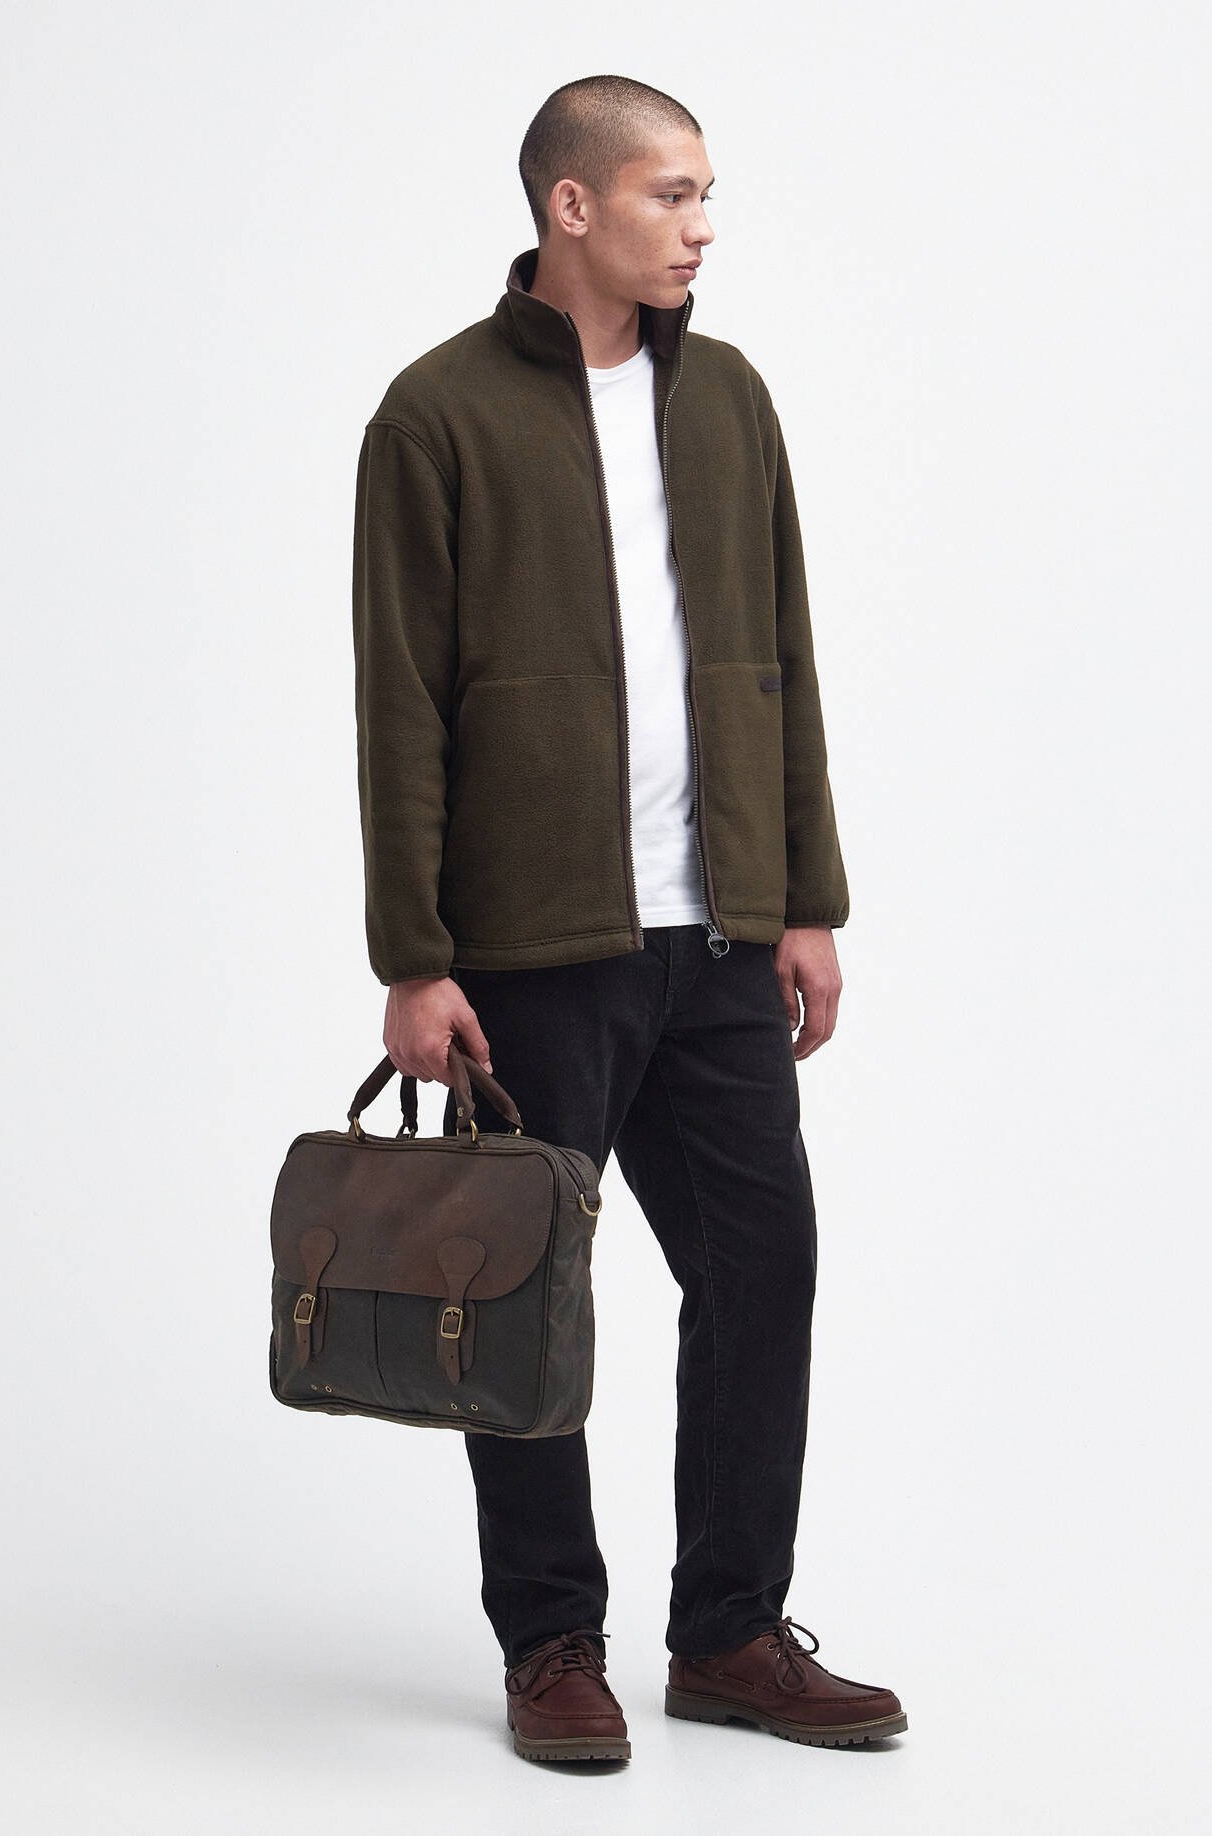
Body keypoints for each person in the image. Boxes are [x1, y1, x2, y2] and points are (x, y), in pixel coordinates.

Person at [352, 72, 908, 1763]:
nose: (703, 226)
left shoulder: (727, 400)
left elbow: (782, 654)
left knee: (762, 1266)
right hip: (534, 947)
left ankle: (729, 1631)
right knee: (525, 1295)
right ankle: (552, 1644)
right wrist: (413, 957)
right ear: (572, 206)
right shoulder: (437, 414)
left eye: (707, 194)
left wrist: (806, 899)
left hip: (723, 932)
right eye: (674, 194)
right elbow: (398, 704)